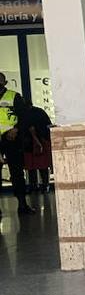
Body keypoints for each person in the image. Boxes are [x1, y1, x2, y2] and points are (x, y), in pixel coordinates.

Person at [0, 73, 33, 215]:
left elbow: (24, 116)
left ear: (5, 82)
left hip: (11, 138)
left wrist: (16, 129)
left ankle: (22, 205)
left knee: (17, 173)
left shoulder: (14, 96)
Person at [18, 101, 53, 194]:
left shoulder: (22, 114)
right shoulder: (39, 112)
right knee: (42, 165)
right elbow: (47, 125)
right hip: (40, 141)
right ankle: (45, 185)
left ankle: (33, 186)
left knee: (31, 166)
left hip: (28, 143)